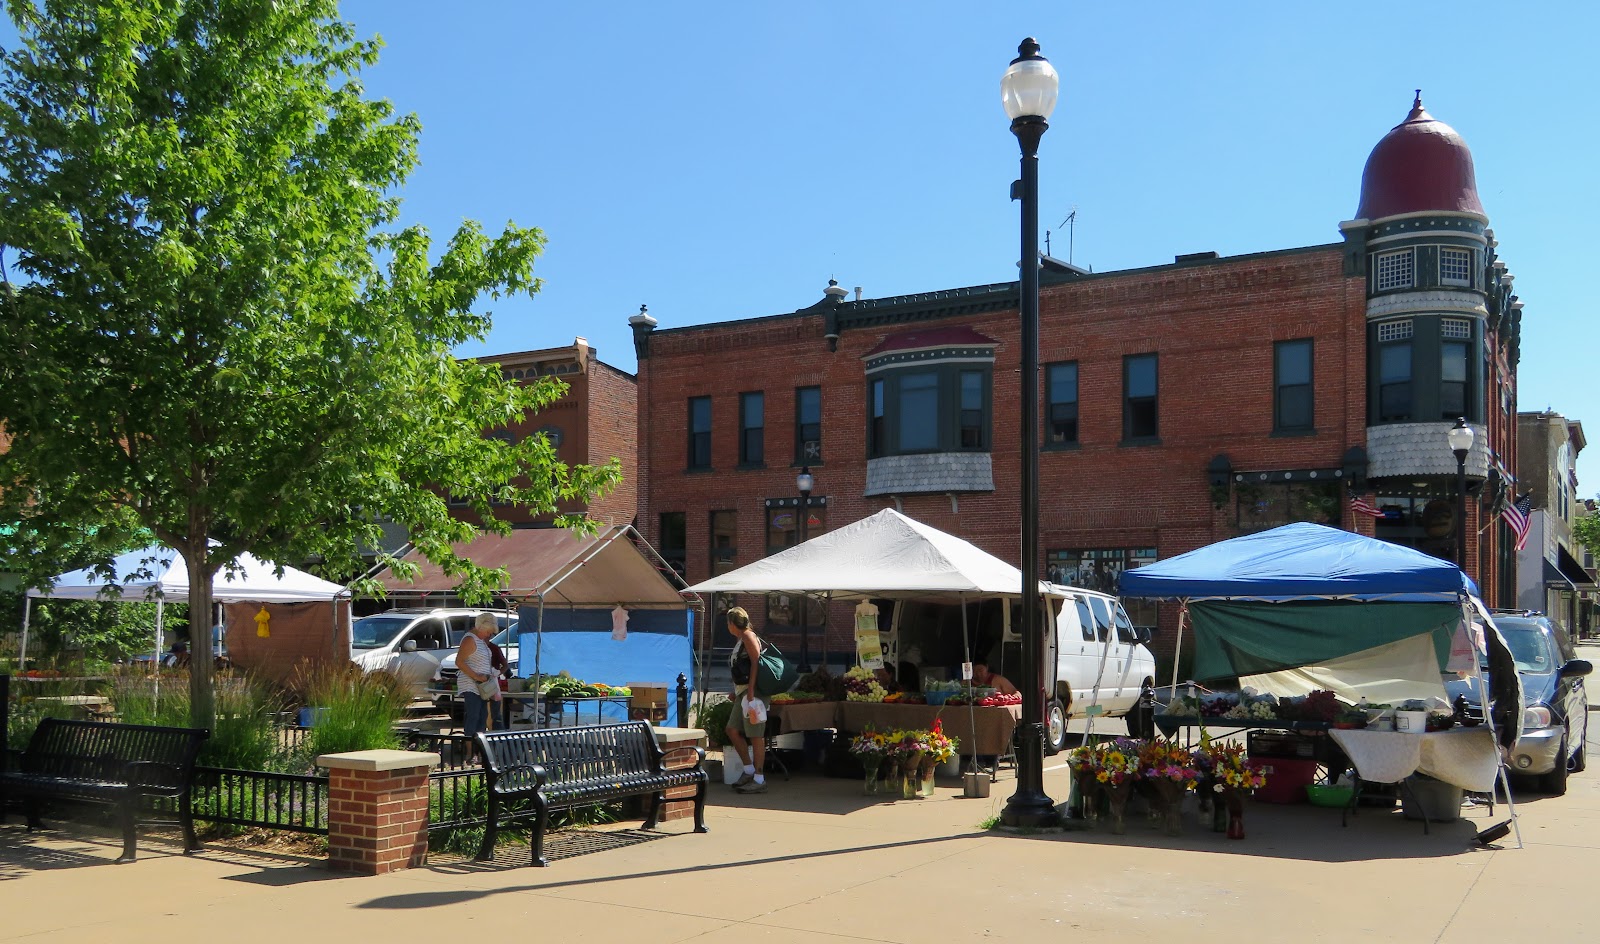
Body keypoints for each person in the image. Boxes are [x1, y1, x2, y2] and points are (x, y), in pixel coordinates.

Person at [723, 606, 769, 794]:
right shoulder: (741, 639)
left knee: (755, 734)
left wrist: (750, 690)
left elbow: (756, 662)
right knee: (732, 729)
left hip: (753, 693)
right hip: (743, 692)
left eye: (728, 623)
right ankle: (749, 770)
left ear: (732, 623)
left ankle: (759, 778)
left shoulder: (749, 636)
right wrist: (737, 690)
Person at [455, 612, 501, 742]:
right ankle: (470, 749)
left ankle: (479, 747)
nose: (489, 635)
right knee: (473, 716)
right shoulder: (470, 639)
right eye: (488, 632)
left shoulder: (480, 640)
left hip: (482, 686)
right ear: (480, 627)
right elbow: (459, 662)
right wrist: (476, 676)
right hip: (471, 685)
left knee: (482, 716)